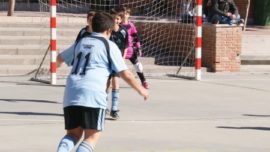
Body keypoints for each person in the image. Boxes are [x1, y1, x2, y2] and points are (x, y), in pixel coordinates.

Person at [56, 12, 149, 152]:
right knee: (91, 137)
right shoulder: (109, 46)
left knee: (72, 134)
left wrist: (56, 66)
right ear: (108, 30)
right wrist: (140, 89)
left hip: (71, 93)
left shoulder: (81, 42)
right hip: (93, 94)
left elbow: (59, 58)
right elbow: (126, 73)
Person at [106, 8, 129, 119]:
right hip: (106, 60)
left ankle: (114, 109)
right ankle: (103, 106)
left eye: (117, 18)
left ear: (120, 20)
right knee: (106, 83)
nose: (115, 20)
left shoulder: (123, 31)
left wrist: (123, 58)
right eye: (113, 18)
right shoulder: (107, 31)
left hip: (117, 61)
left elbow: (125, 47)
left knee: (116, 82)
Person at [121, 7, 149, 89]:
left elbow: (136, 37)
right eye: (123, 13)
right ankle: (110, 81)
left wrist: (138, 48)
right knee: (116, 66)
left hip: (130, 49)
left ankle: (143, 81)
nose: (124, 15)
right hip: (120, 50)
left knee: (138, 66)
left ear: (128, 15)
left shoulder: (131, 25)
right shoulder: (118, 25)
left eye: (126, 13)